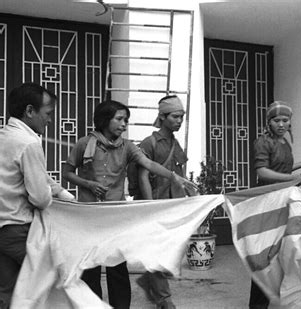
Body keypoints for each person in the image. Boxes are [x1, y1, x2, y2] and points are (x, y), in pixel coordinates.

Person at [62, 100, 196, 309]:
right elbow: (67, 173)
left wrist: (173, 177)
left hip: (116, 217)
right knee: (90, 269)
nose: (124, 124)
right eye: (119, 119)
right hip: (89, 218)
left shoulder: (128, 147)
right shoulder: (83, 143)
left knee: (117, 268)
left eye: (126, 120)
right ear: (105, 120)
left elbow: (149, 164)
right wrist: (88, 183)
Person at [0, 83, 74, 308]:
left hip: (3, 228)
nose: (50, 120)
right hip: (19, 229)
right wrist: (60, 201)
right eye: (48, 114)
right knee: (49, 283)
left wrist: (62, 192)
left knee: (8, 290)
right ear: (30, 111)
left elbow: (38, 176)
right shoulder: (29, 143)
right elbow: (40, 197)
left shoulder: (5, 135)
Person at [249, 101, 301, 308]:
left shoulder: (285, 143)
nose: (281, 124)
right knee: (265, 255)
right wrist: (291, 179)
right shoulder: (263, 142)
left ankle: (281, 296)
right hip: (268, 200)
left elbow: (284, 167)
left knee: (284, 250)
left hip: (284, 199)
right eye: (276, 120)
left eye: (285, 120)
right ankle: (258, 304)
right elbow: (262, 171)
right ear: (268, 122)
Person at [135, 95, 189, 309]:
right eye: (175, 116)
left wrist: (187, 198)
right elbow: (142, 176)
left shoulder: (176, 144)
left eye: (182, 116)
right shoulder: (150, 143)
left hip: (172, 205)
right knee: (157, 250)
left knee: (168, 250)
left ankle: (149, 281)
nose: (179, 120)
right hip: (155, 204)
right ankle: (164, 298)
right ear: (162, 117)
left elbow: (180, 175)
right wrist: (150, 207)